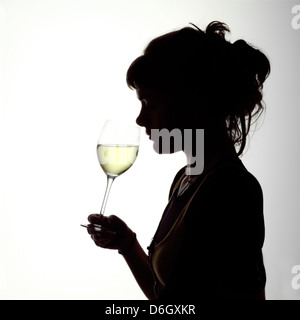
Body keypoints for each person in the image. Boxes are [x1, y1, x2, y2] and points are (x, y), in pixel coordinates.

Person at [85, 21, 271, 300]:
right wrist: (127, 245)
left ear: (193, 101)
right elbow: (170, 298)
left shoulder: (229, 189)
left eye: (150, 103)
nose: (141, 119)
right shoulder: (187, 178)